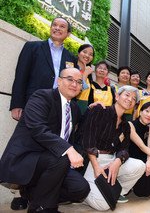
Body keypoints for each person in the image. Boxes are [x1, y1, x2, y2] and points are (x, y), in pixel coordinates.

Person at [8, 17, 77, 210]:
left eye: (62, 26)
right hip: (34, 106)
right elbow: (21, 75)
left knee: (50, 153)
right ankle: (22, 193)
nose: (57, 28)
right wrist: (17, 103)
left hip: (56, 109)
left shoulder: (71, 58)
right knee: (28, 150)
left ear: (68, 33)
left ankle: (35, 195)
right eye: (55, 25)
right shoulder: (32, 47)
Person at [0, 68, 90, 213]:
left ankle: (32, 195)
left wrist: (93, 109)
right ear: (59, 81)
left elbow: (76, 135)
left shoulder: (74, 108)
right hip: (28, 158)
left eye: (79, 82)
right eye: (70, 79)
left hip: (54, 162)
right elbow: (38, 129)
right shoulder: (42, 96)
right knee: (61, 158)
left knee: (81, 189)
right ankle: (42, 208)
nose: (75, 84)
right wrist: (68, 149)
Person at [82, 85, 146, 211]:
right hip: (93, 160)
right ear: (117, 96)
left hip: (111, 160)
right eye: (127, 95)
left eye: (133, 99)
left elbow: (124, 149)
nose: (130, 99)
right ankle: (83, 195)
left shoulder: (126, 125)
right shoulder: (100, 110)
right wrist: (96, 166)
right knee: (103, 205)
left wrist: (117, 161)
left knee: (140, 166)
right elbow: (88, 140)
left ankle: (116, 192)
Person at [75, 44, 95, 114]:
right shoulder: (72, 69)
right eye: (84, 52)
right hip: (73, 105)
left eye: (90, 54)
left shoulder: (88, 72)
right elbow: (76, 90)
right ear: (78, 53)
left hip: (83, 109)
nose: (87, 56)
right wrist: (85, 74)